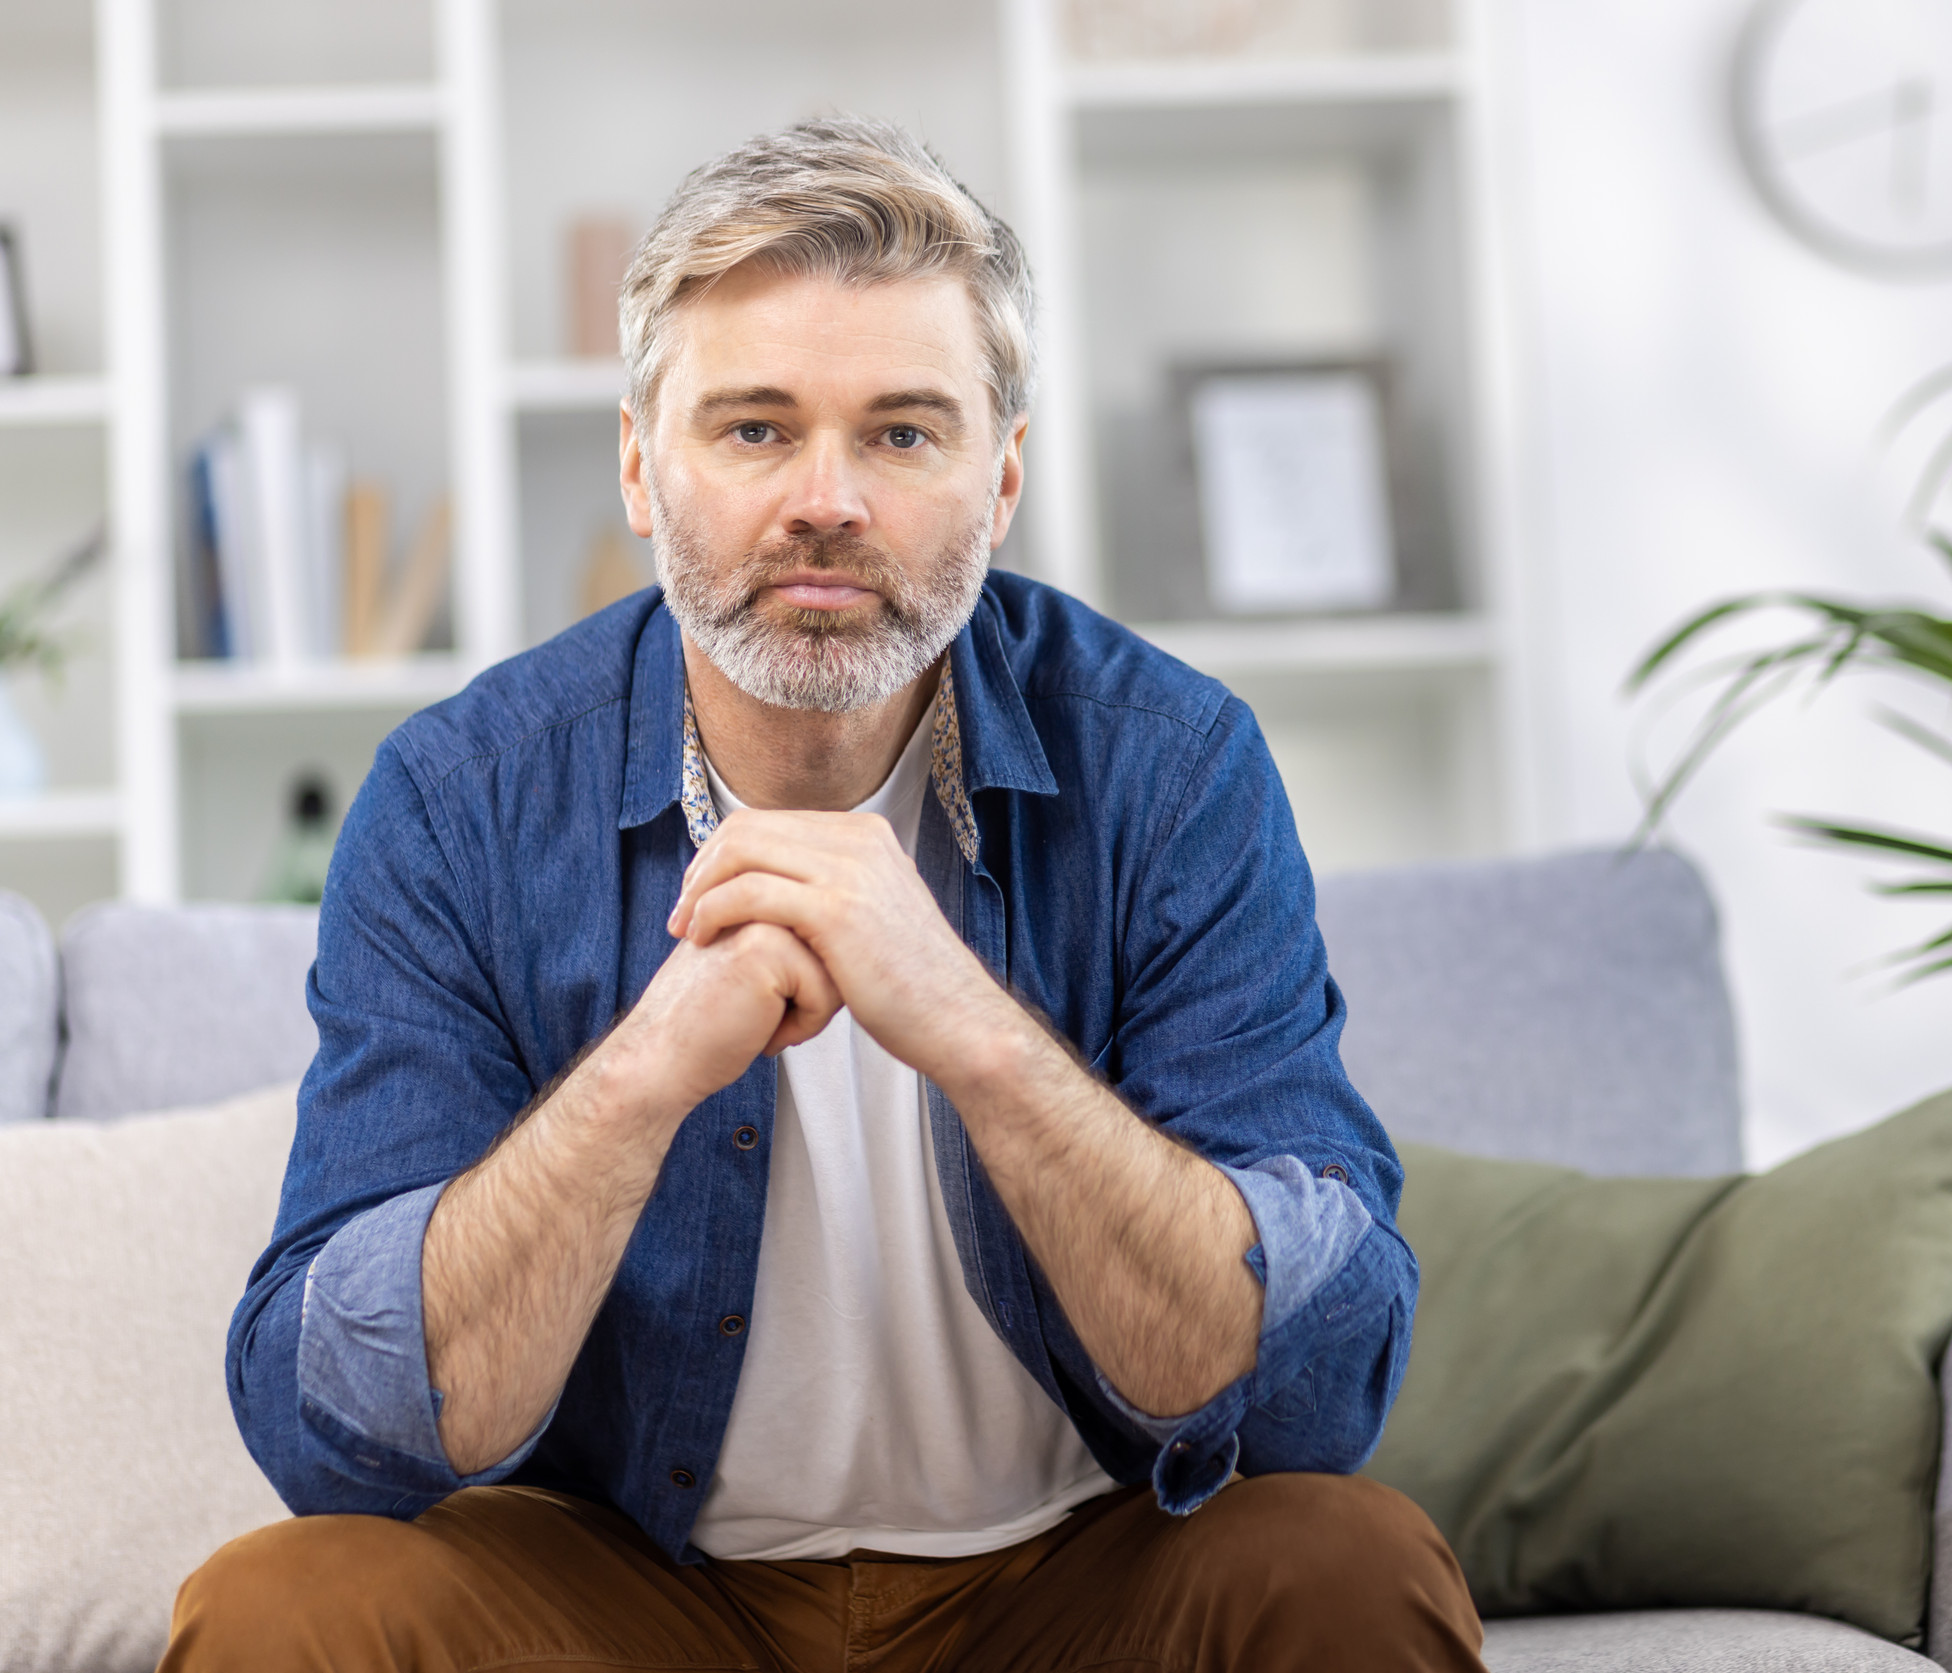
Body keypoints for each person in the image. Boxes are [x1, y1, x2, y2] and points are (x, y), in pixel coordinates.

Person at [164, 117, 1482, 1673]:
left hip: (1067, 1579)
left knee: (1348, 1562)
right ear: (645, 470)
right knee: (278, 1608)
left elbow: (1317, 1393)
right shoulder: (461, 798)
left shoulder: (1172, 764)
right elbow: (334, 1432)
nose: (826, 500)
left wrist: (974, 1033)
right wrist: (650, 1071)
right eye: (755, 429)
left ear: (1001, 481)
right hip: (636, 1596)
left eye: (903, 433)